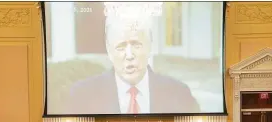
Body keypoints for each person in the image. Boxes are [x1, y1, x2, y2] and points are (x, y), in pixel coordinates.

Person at [68, 16, 200, 115]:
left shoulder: (179, 93)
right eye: (121, 47)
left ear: (150, 46)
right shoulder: (82, 95)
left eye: (136, 44)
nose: (129, 55)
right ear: (109, 51)